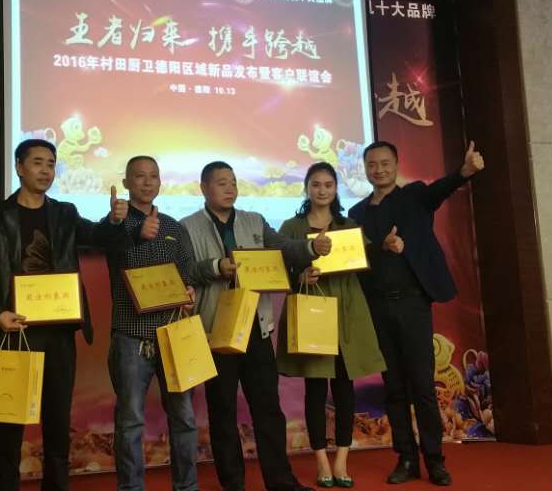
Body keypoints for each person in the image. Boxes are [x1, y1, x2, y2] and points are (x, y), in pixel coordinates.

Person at [0, 138, 125, 491]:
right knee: (9, 426)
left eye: (51, 164)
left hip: (57, 332)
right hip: (14, 331)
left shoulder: (65, 213)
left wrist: (114, 221)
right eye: (37, 162)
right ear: (19, 167)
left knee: (57, 423)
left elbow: (96, 235)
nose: (45, 171)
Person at [180, 160, 327, 491]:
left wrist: (310, 247)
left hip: (256, 328)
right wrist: (216, 267)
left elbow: (284, 248)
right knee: (222, 411)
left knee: (268, 409)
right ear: (203, 188)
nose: (230, 188)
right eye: (221, 183)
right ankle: (233, 483)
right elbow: (184, 272)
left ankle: (281, 481)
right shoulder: (187, 227)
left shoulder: (255, 220)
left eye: (233, 182)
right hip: (216, 329)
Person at [348, 140, 483, 487]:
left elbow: (441, 189)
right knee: (393, 387)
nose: (378, 170)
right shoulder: (357, 214)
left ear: (396, 165)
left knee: (422, 386)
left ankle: (434, 460)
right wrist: (382, 247)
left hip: (412, 304)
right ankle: (405, 458)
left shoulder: (414, 196)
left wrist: (464, 172)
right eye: (372, 164)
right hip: (377, 306)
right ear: (365, 169)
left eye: (385, 163)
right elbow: (356, 258)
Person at [276, 162, 386, 488]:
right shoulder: (291, 227)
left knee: (343, 388)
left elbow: (364, 264)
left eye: (328, 185)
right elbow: (277, 272)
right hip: (312, 313)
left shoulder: (348, 226)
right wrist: (300, 276)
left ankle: (341, 459)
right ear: (307, 188)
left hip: (347, 313)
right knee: (315, 389)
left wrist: (380, 248)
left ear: (336, 189)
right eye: (316, 184)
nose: (322, 190)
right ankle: (321, 460)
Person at [104, 155, 202, 491]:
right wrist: (129, 230)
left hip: (174, 334)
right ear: (126, 182)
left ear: (160, 182)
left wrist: (189, 288)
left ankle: (187, 487)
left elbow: (188, 271)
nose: (147, 182)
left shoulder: (173, 226)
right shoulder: (114, 225)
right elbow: (108, 245)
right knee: (130, 421)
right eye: (139, 176)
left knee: (184, 418)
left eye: (153, 176)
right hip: (132, 336)